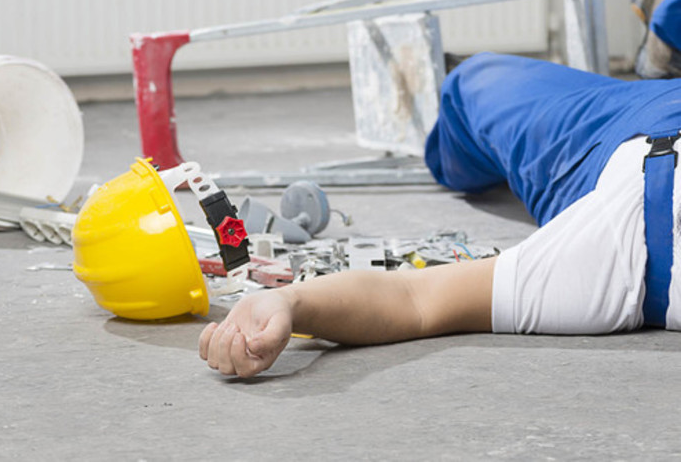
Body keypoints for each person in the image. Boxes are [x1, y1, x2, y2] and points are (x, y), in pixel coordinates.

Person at [199, 43, 681, 378]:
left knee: (476, 83)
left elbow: (416, 300)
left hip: (607, 140)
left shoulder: (620, 255)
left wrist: (290, 302)